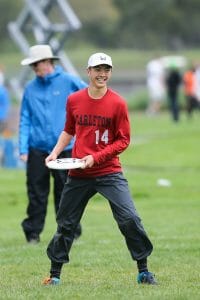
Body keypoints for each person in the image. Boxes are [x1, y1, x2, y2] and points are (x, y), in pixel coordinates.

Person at [42, 52, 157, 286]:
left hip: (109, 172)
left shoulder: (118, 103)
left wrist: (97, 157)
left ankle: (144, 271)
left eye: (106, 70)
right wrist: (55, 151)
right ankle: (54, 275)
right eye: (97, 69)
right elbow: (69, 130)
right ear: (89, 71)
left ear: (110, 72)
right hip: (78, 173)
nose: (102, 74)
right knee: (66, 224)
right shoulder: (74, 99)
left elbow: (123, 140)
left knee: (129, 219)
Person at [19, 44, 87, 244]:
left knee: (66, 193)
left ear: (46, 62)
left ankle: (70, 232)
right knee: (36, 193)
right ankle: (33, 233)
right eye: (32, 66)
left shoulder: (68, 80)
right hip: (37, 149)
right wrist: (23, 148)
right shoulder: (30, 89)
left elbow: (89, 95)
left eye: (35, 65)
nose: (34, 69)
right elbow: (25, 119)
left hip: (65, 149)